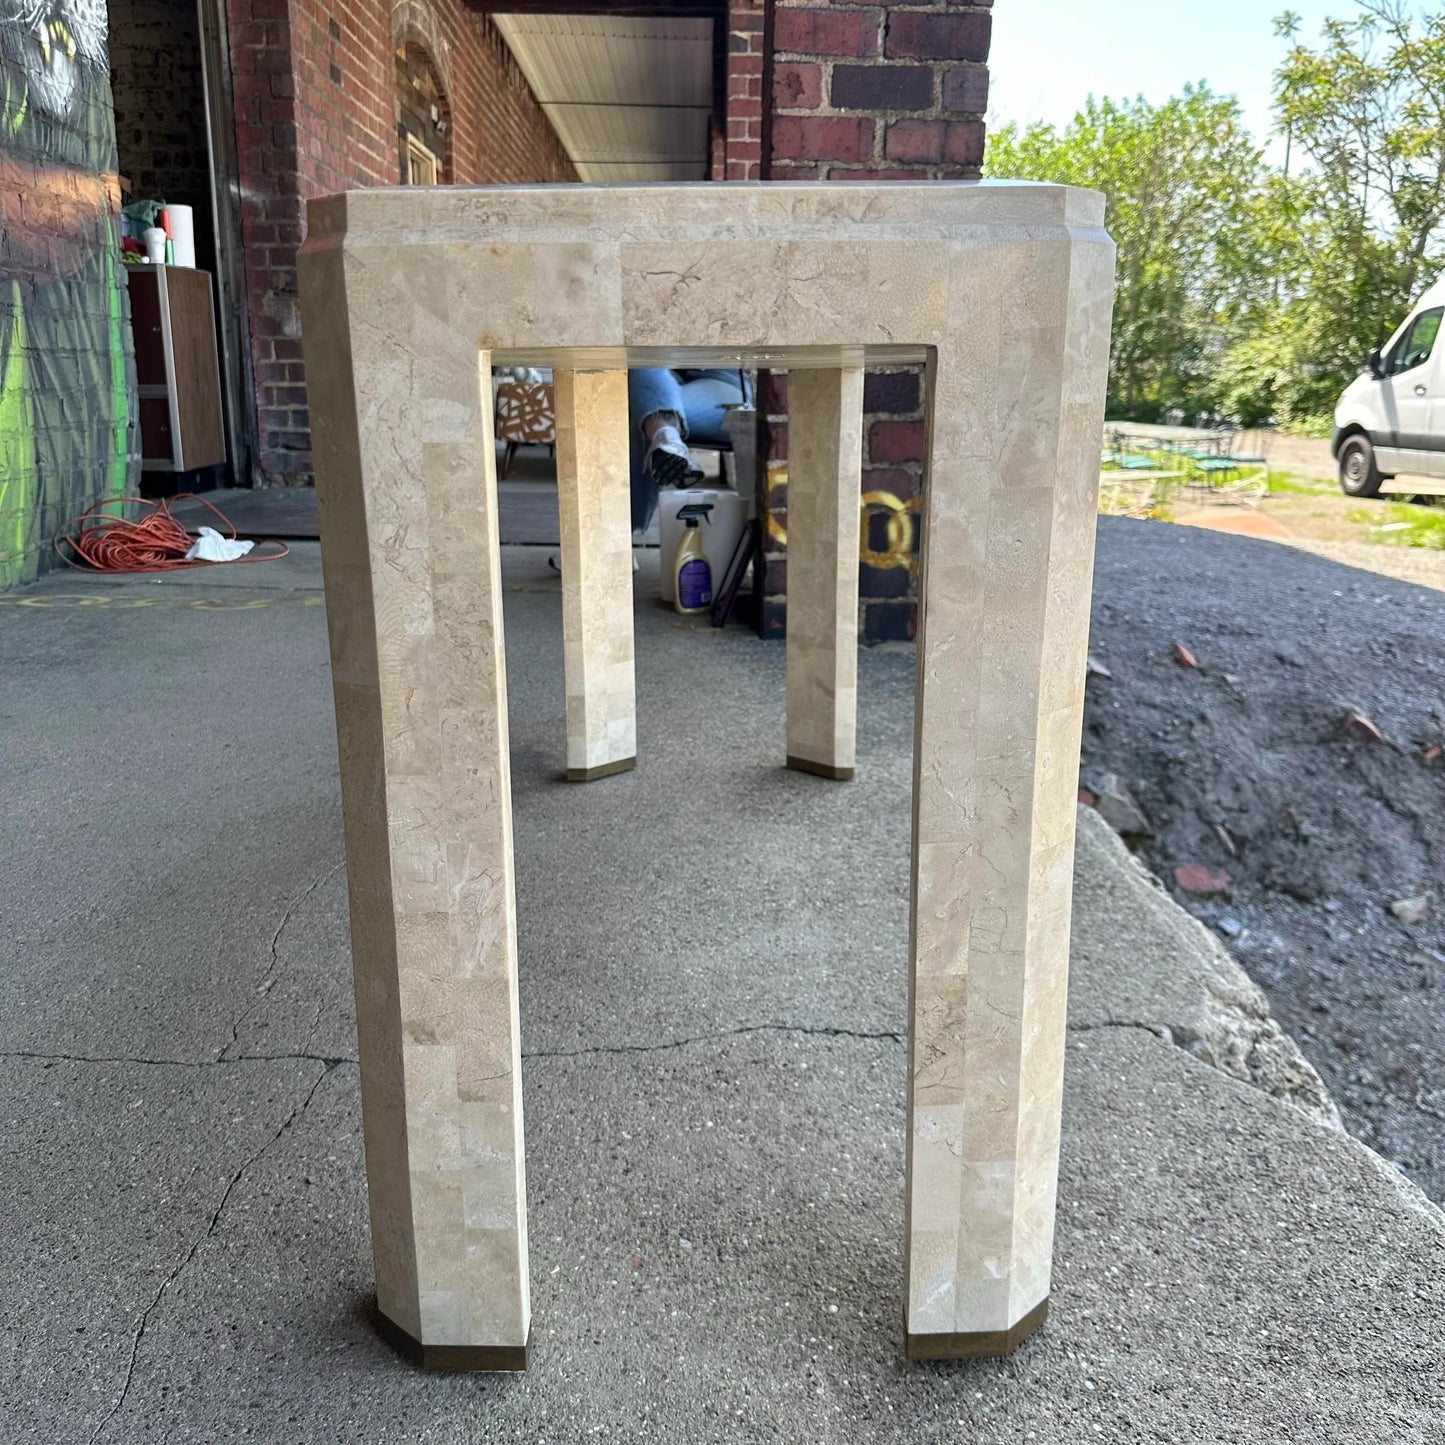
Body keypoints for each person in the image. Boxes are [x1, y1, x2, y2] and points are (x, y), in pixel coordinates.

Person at [629, 367, 750, 533]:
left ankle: (628, 538)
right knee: (642, 370)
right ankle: (667, 439)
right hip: (657, 380)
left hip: (720, 382)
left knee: (643, 410)